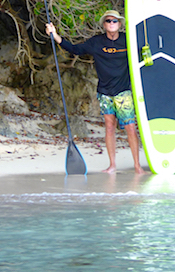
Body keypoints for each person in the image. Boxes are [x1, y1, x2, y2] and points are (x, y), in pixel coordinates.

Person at [46, 10, 147, 174]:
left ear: (120, 24)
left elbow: (148, 51)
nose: (111, 23)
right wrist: (55, 35)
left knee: (130, 127)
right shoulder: (96, 42)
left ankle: (137, 166)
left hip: (123, 91)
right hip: (105, 91)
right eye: (108, 21)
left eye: (115, 21)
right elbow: (74, 49)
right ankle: (112, 165)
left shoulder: (129, 40)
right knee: (109, 127)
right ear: (104, 24)